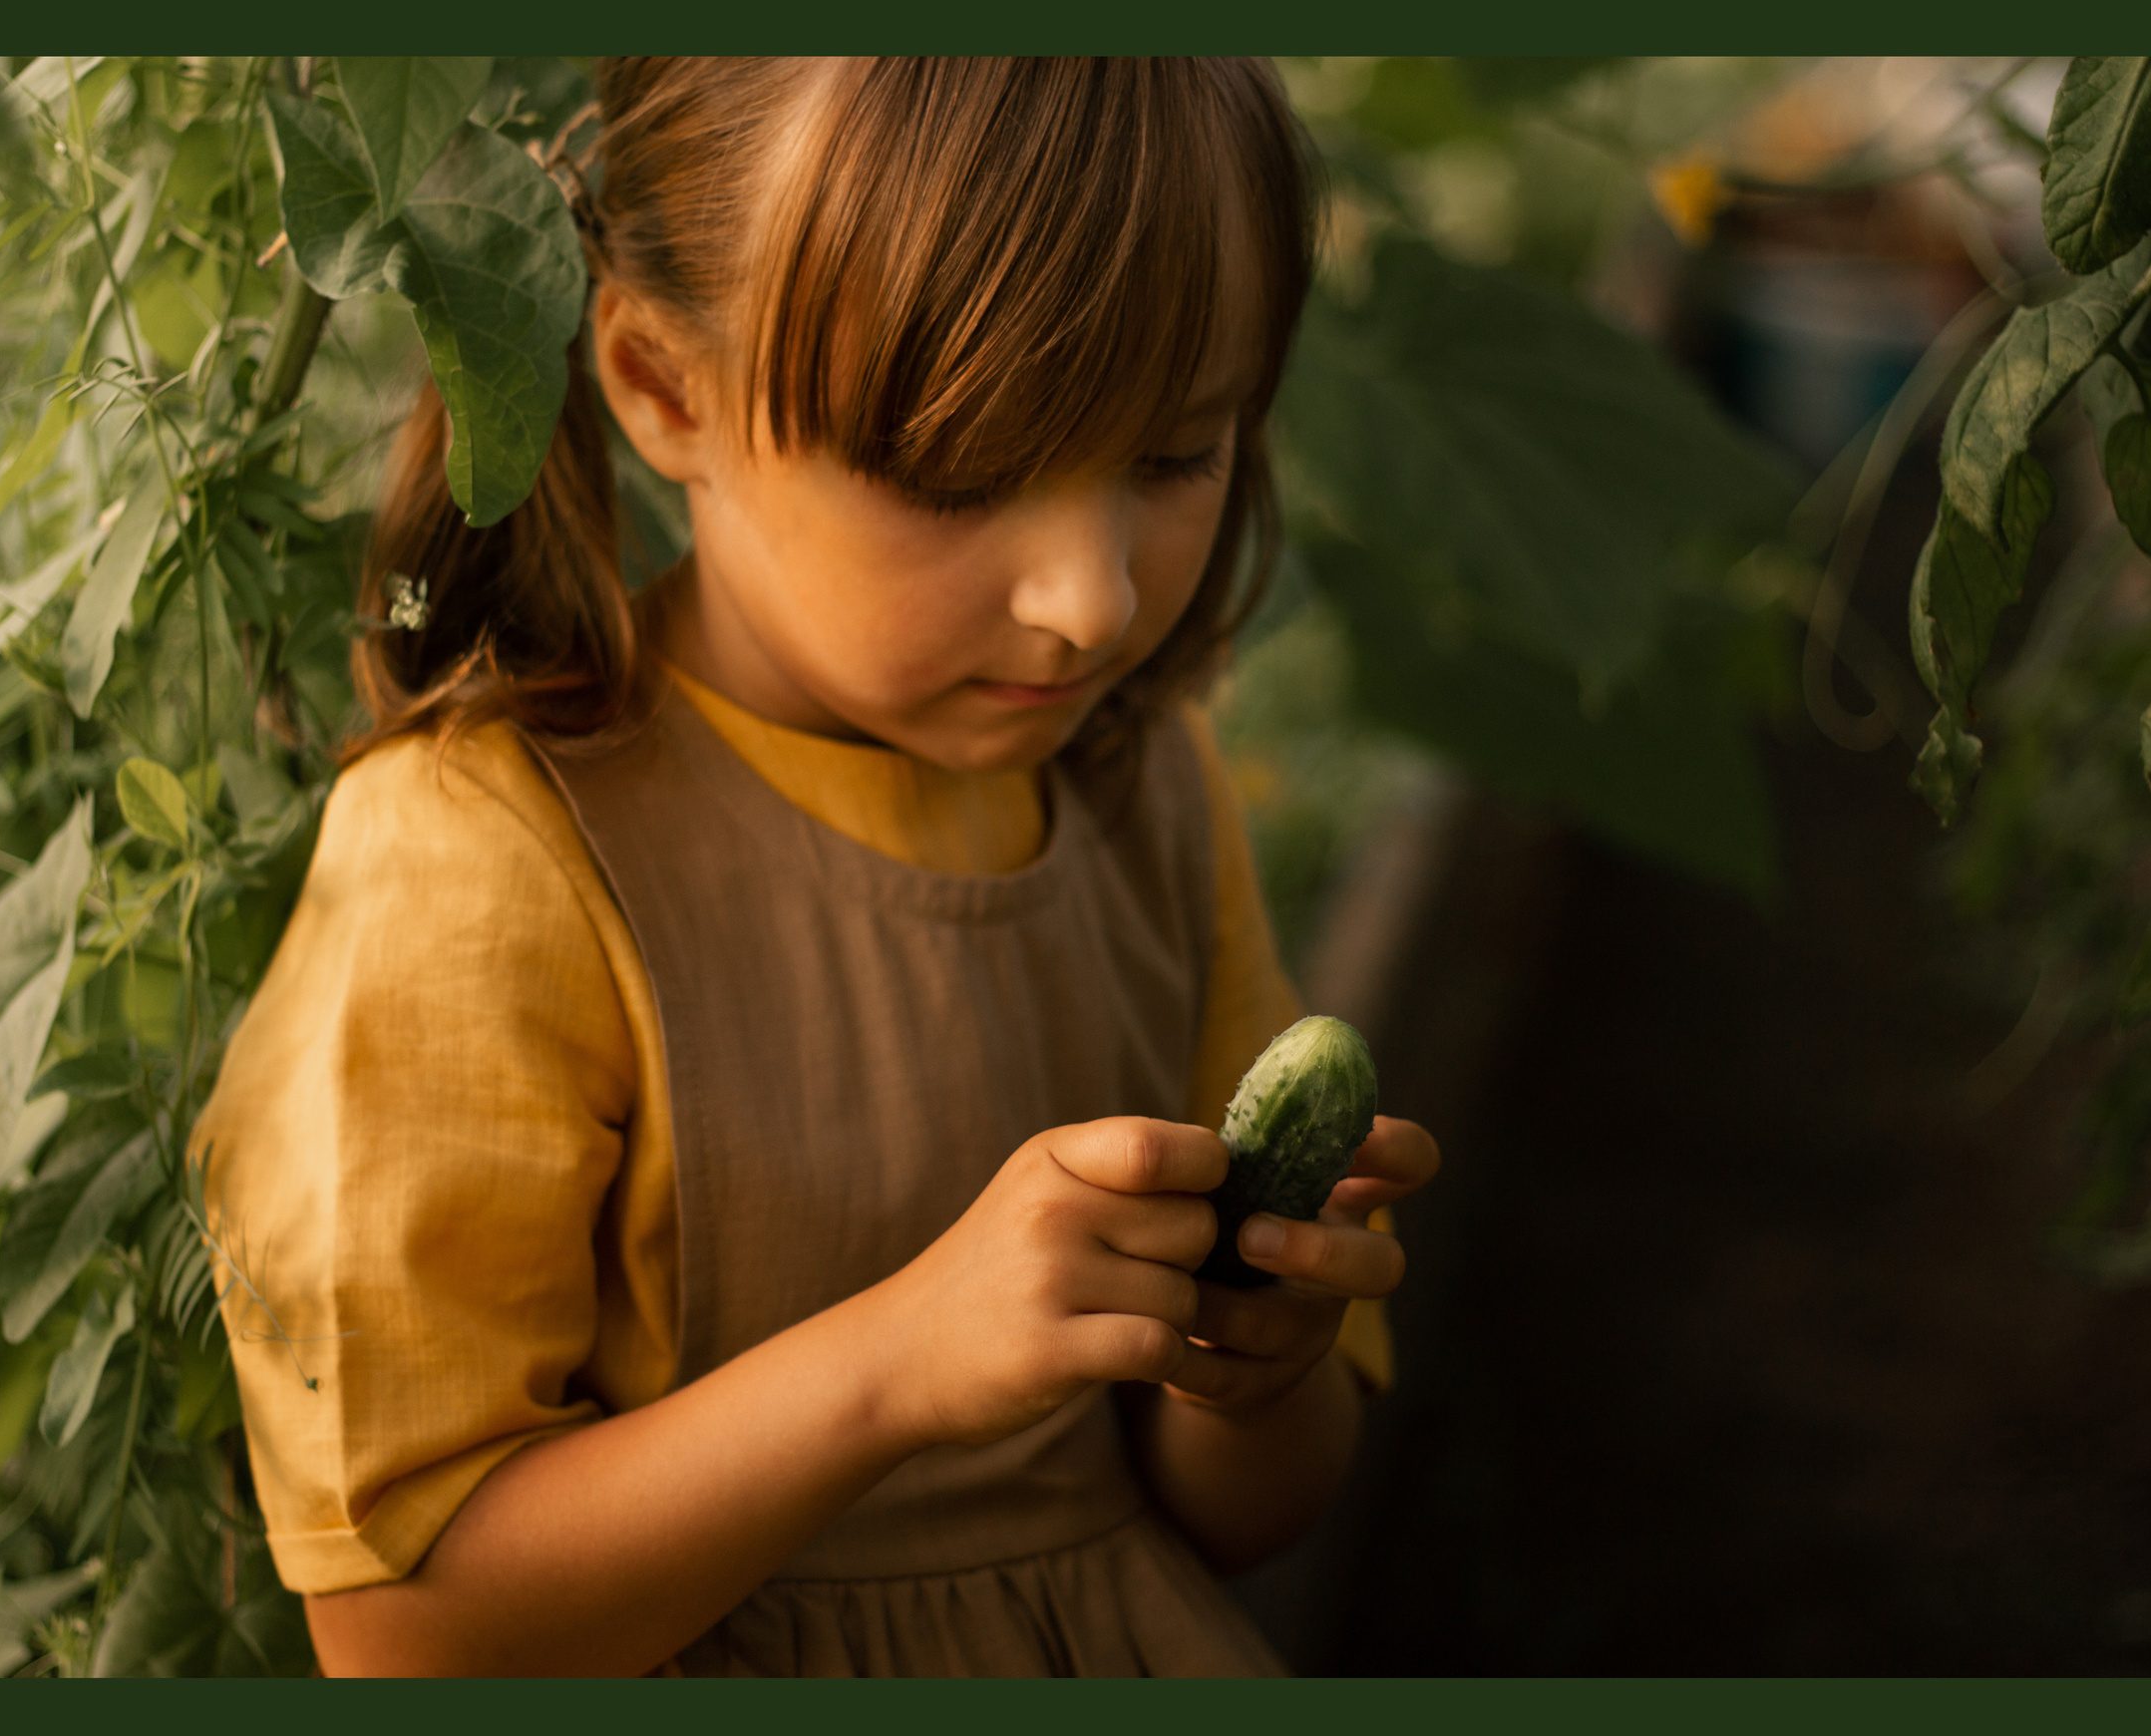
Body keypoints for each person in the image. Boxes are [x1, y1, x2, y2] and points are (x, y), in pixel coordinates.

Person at [193, 55, 1441, 1678]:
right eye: (964, 475)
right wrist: (901, 1365)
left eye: (1175, 456)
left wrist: (1250, 1368)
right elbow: (407, 1632)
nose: (1091, 601)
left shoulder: (1148, 790)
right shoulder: (487, 861)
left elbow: (1251, 1510)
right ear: (663, 388)